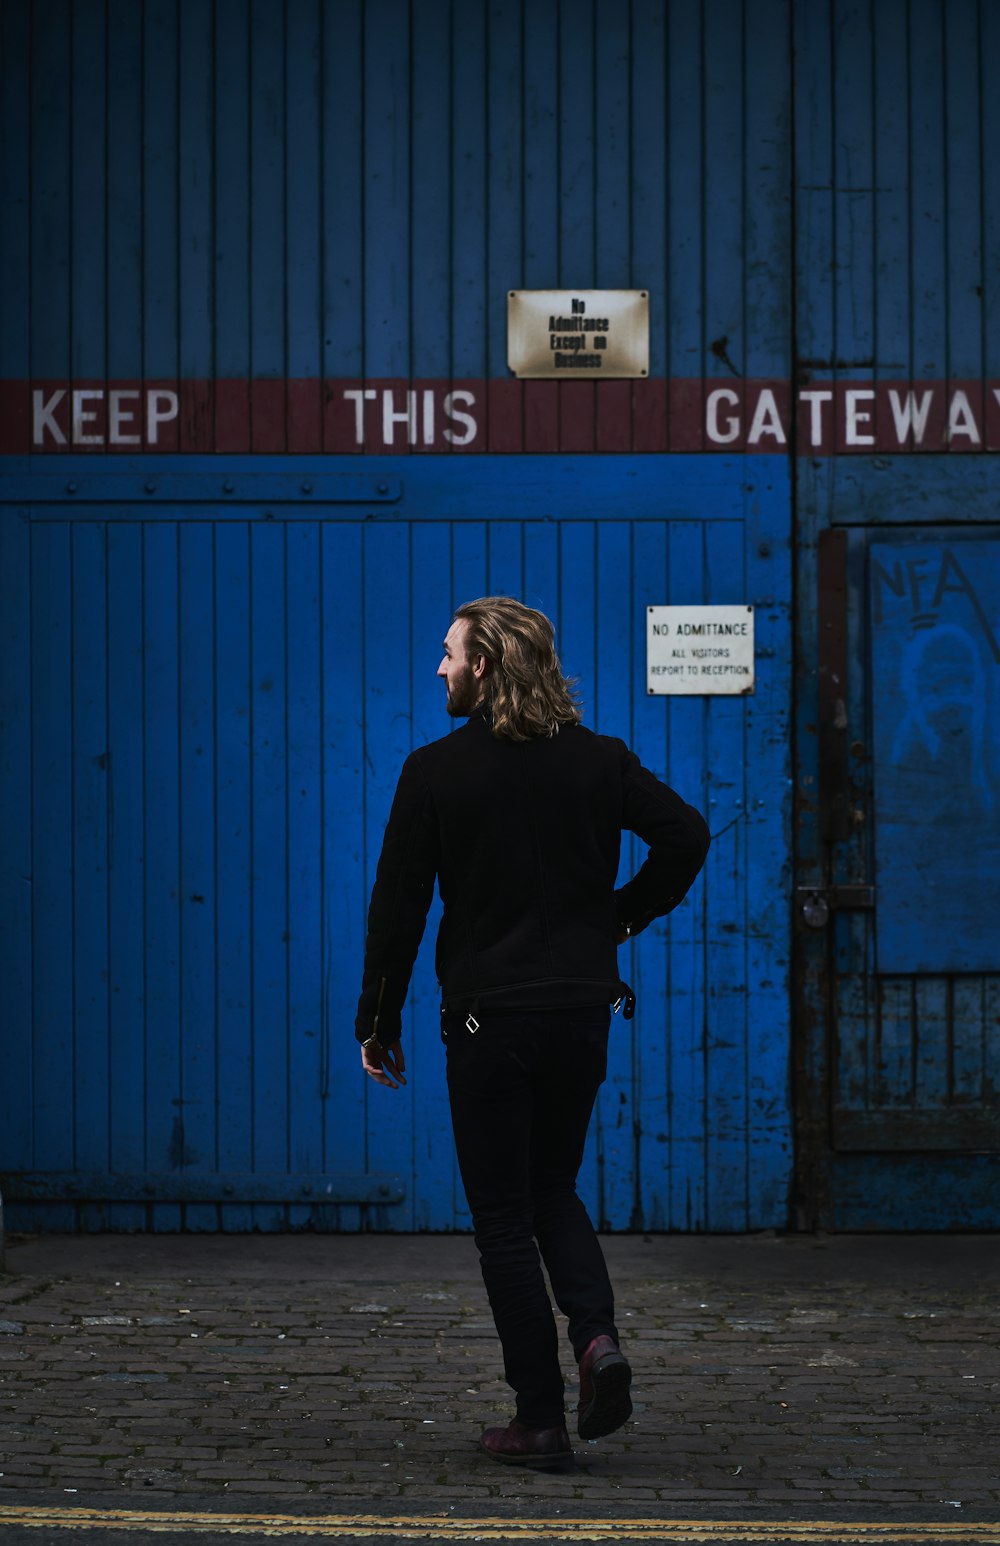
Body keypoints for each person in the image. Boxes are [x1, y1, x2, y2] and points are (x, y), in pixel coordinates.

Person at [355, 596, 710, 1468]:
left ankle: (540, 1420)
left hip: (490, 1020)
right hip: (583, 1013)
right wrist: (616, 921)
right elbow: (688, 835)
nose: (438, 666)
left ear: (484, 665)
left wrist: (377, 1020)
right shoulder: (599, 761)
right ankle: (597, 1341)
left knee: (505, 1218)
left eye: (448, 653)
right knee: (554, 1188)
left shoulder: (435, 771)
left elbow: (397, 910)